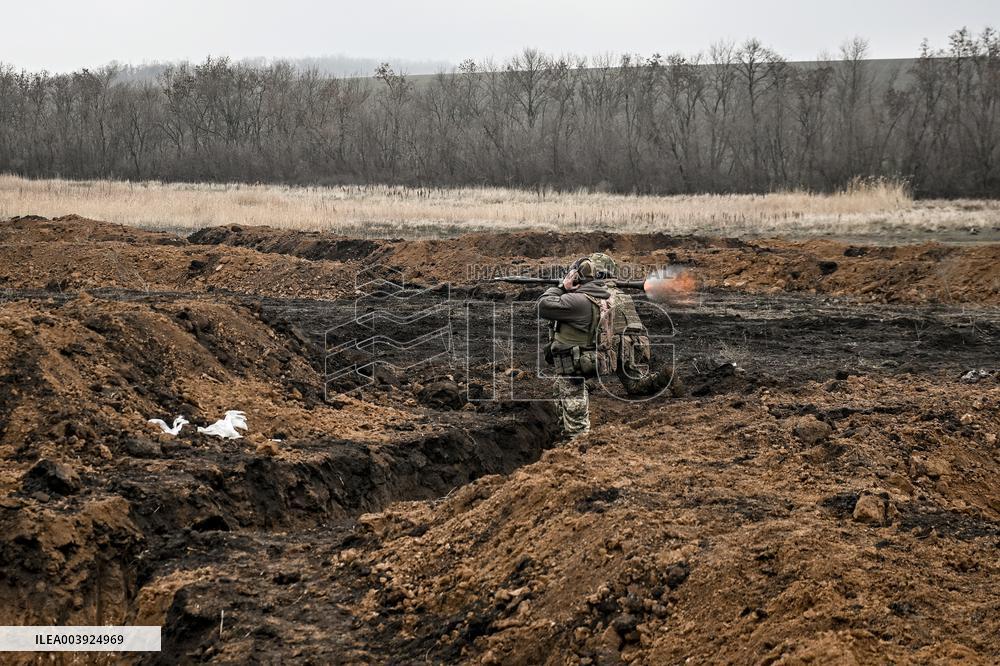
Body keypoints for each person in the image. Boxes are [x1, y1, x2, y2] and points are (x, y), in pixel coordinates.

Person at [538, 252, 676, 439]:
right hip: (623, 352)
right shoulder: (620, 297)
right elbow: (630, 332)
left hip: (592, 357)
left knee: (570, 383)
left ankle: (576, 436)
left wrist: (563, 287)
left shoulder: (582, 299)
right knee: (637, 387)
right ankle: (663, 378)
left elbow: (544, 306)